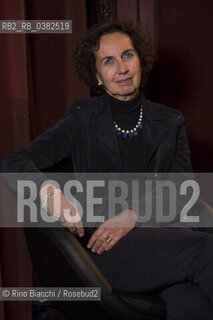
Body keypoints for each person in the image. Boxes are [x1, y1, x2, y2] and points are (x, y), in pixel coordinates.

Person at [2, 21, 213, 319]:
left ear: (140, 59)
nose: (122, 68)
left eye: (128, 55)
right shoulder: (82, 119)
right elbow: (13, 163)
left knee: (195, 304)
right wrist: (51, 194)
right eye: (108, 61)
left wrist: (133, 215)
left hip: (164, 239)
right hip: (107, 249)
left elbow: (183, 192)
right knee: (207, 251)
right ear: (98, 76)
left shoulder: (171, 121)